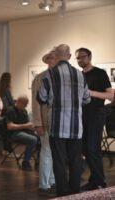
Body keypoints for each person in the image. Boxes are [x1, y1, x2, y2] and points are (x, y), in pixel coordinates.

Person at [37, 44, 91, 196]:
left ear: (56, 55)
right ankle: (74, 190)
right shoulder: (80, 75)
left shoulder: (49, 74)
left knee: (59, 160)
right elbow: (87, 99)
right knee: (75, 160)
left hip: (57, 125)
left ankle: (62, 192)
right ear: (68, 56)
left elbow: (41, 98)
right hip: (76, 126)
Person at [75, 47, 113, 191]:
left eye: (82, 57)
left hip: (96, 115)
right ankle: (94, 179)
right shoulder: (78, 75)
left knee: (92, 148)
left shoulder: (100, 73)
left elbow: (110, 95)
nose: (80, 60)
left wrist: (91, 93)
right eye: (77, 58)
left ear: (89, 57)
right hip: (81, 115)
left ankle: (99, 182)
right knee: (85, 148)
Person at [32, 50, 56, 196]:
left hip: (57, 122)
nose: (54, 60)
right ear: (47, 60)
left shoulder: (59, 77)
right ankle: (44, 184)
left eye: (56, 58)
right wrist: (38, 123)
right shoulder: (40, 78)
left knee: (54, 152)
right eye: (52, 58)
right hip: (45, 121)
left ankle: (51, 180)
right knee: (46, 152)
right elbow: (36, 103)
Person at [5, 95, 39, 171]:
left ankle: (38, 161)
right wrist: (25, 126)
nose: (26, 106)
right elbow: (9, 126)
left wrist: (34, 127)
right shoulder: (10, 110)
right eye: (25, 104)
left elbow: (27, 124)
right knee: (33, 139)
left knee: (40, 137)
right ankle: (25, 162)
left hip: (23, 131)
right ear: (18, 102)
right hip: (13, 133)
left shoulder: (24, 111)